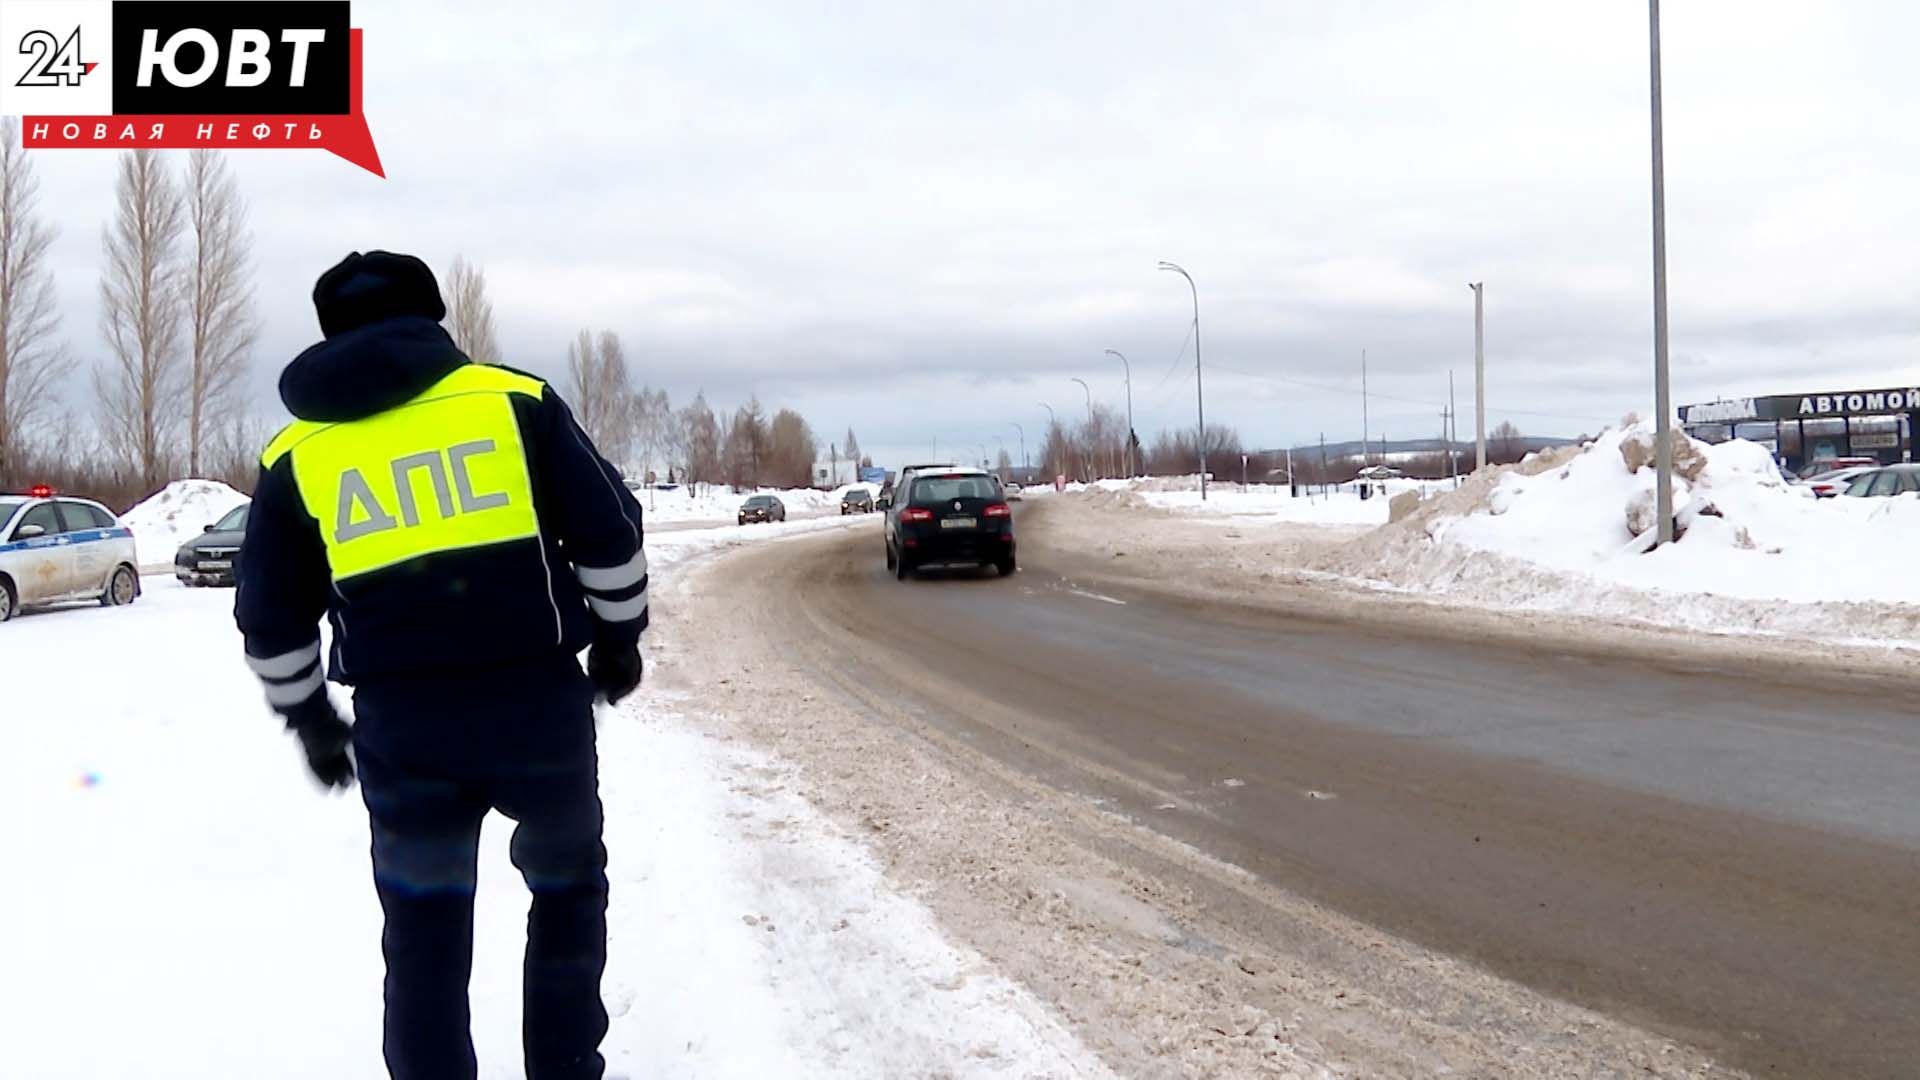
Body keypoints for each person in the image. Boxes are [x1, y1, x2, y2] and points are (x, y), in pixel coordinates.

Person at [234, 251, 647, 1080]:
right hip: (537, 713)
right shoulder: (513, 401)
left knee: (422, 933)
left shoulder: (296, 455)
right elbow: (611, 536)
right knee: (566, 898)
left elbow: (271, 618)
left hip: (404, 731)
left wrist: (312, 720)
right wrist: (618, 638)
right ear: (432, 318)